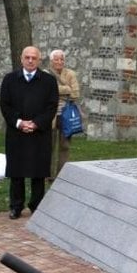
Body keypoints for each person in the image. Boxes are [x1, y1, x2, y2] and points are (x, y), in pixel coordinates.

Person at [0, 46, 58, 218]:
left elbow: (51, 106)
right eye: (27, 57)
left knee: (38, 172)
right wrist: (19, 122)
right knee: (16, 172)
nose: (30, 60)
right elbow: (5, 105)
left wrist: (36, 123)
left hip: (39, 132)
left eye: (34, 58)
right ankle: (16, 206)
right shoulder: (10, 79)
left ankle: (36, 205)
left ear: (39, 60)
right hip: (16, 132)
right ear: (21, 59)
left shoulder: (48, 81)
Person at [47, 49, 80, 178]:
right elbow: (46, 92)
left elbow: (76, 94)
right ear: (51, 61)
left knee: (65, 146)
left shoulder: (70, 74)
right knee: (49, 146)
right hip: (50, 114)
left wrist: (55, 90)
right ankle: (47, 173)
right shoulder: (46, 74)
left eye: (62, 59)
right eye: (56, 59)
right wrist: (66, 89)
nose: (59, 62)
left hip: (66, 115)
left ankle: (61, 174)